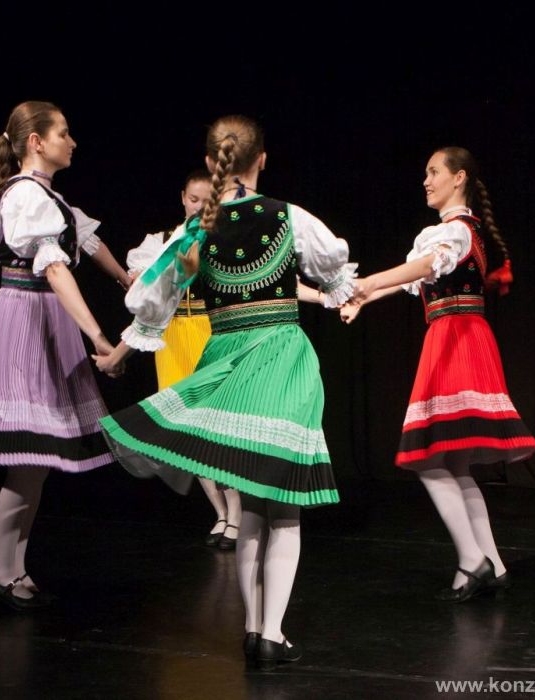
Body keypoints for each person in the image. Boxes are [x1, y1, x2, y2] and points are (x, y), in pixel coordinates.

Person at [96, 115, 356, 669]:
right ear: (261, 159)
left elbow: (148, 304)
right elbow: (335, 275)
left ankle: (252, 628)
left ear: (212, 163)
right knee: (283, 503)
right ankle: (272, 633)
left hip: (227, 361)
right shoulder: (288, 216)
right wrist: (350, 292)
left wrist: (118, 354)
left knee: (251, 502)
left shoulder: (194, 230)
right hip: (282, 359)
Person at [0, 100, 131, 610]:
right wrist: (98, 336)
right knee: (28, 454)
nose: (72, 142)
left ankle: (12, 568)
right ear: (36, 141)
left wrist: (126, 278)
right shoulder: (25, 196)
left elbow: (87, 240)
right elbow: (55, 269)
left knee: (38, 461)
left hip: (45, 318)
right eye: (64, 133)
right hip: (24, 320)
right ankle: (3, 569)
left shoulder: (48, 197)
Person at [349, 146, 535, 602]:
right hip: (457, 337)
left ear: (459, 177)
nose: (426, 180)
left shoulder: (455, 231)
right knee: (453, 463)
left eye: (434, 172)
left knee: (425, 457)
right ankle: (493, 563)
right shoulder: (453, 232)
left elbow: (427, 266)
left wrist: (371, 281)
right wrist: (363, 297)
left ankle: (472, 560)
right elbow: (415, 279)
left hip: (457, 339)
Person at [125, 171, 244, 550]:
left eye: (206, 201)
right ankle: (220, 513)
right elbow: (142, 283)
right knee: (190, 433)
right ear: (182, 198)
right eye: (193, 199)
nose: (198, 206)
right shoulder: (161, 241)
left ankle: (237, 514)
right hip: (173, 338)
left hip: (208, 332)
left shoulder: (220, 241)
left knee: (217, 430)